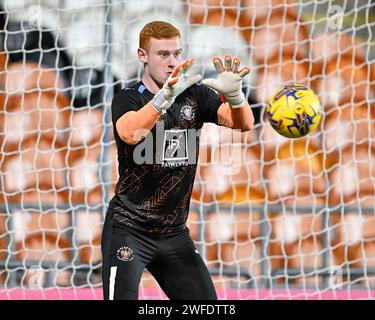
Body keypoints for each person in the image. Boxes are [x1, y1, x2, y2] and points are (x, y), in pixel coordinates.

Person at [101, 20, 254, 300]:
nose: (172, 62)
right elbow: (129, 132)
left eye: (176, 53)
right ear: (142, 55)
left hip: (173, 233)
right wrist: (162, 100)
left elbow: (242, 123)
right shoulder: (127, 98)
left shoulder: (194, 94)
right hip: (128, 230)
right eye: (163, 54)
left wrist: (235, 97)